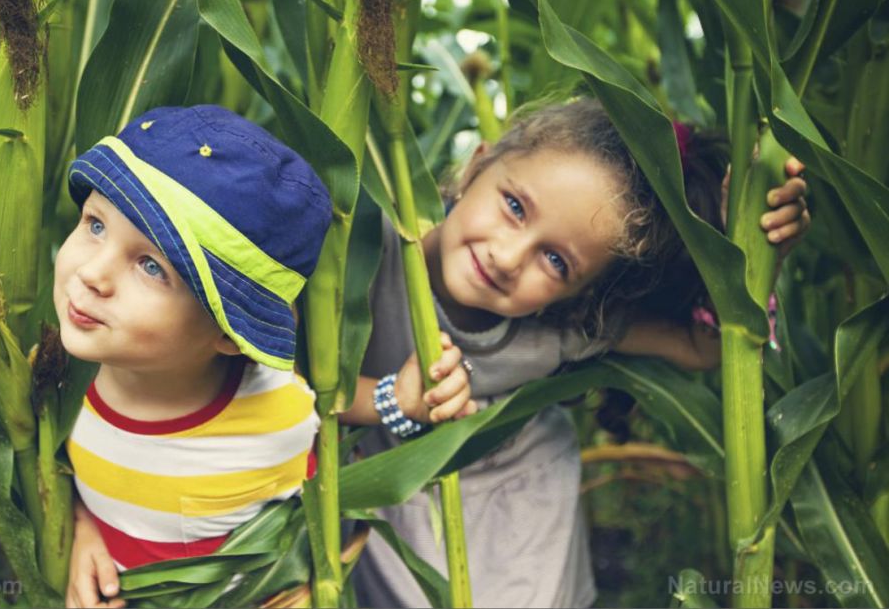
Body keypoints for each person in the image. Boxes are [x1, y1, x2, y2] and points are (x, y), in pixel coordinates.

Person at [340, 99, 810, 607]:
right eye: (515, 207)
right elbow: (301, 383)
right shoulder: (367, 250)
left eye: (556, 261)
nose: (507, 257)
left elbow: (700, 346)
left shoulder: (561, 325)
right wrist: (392, 400)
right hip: (397, 497)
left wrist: (752, 252)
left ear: (579, 293)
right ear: (478, 164)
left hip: (521, 512)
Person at [57, 105, 332, 608]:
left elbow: (325, 515)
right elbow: (51, 470)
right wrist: (79, 527)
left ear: (230, 335)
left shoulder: (278, 419)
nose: (93, 273)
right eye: (95, 224)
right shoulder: (56, 375)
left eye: (150, 266)